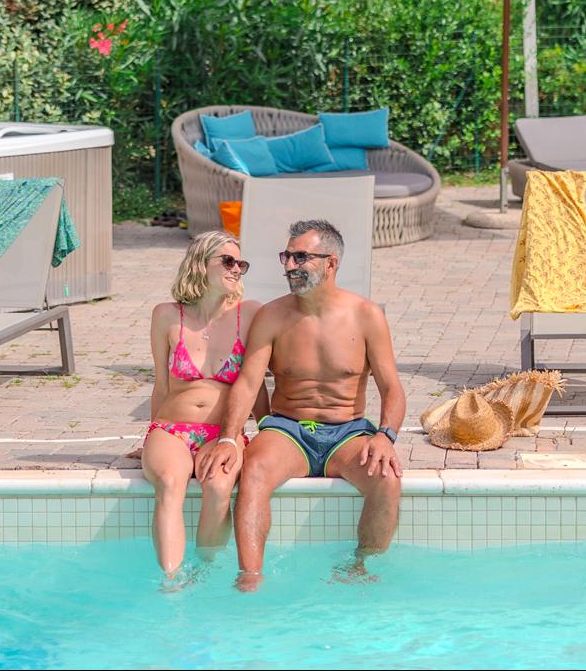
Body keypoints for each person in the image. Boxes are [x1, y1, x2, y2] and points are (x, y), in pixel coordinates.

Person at [196, 218, 405, 591]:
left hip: (348, 430)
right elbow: (248, 382)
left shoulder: (366, 315)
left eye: (300, 257)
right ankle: (250, 575)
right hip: (288, 428)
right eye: (287, 256)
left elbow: (392, 388)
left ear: (331, 263)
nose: (289, 266)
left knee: (386, 479)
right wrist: (229, 437)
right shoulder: (273, 315)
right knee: (255, 471)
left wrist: (386, 435)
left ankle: (361, 565)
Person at [143, 231, 268, 579]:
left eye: (240, 263)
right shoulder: (167, 315)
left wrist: (267, 431)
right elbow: (161, 384)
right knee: (169, 481)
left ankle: (204, 573)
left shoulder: (250, 314)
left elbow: (255, 384)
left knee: (217, 488)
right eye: (228, 261)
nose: (236, 269)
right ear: (201, 263)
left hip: (223, 433)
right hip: (171, 429)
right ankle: (170, 581)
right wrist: (150, 439)